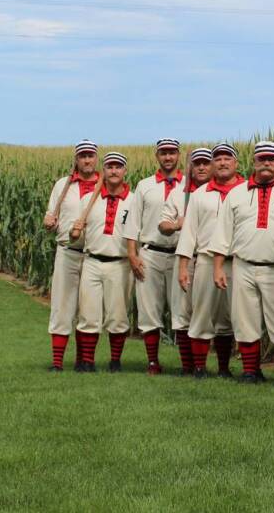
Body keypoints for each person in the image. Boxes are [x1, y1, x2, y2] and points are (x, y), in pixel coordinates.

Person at [209, 141, 274, 383]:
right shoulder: (237, 193)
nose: (267, 163)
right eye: (262, 159)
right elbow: (223, 233)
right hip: (243, 265)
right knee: (244, 320)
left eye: (272, 159)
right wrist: (218, 267)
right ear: (254, 162)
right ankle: (250, 371)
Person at [174, 143, 243, 378]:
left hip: (237, 262)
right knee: (202, 315)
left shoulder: (247, 190)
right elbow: (189, 232)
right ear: (213, 164)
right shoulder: (199, 194)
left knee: (228, 318)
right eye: (218, 159)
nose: (222, 162)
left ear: (236, 163)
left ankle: (224, 368)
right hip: (205, 259)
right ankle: (200, 368)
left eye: (227, 158)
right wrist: (183, 266)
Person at [70, 152, 135, 372]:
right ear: (104, 171)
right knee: (88, 314)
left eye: (119, 167)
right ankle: (87, 362)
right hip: (92, 260)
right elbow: (75, 236)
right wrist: (74, 231)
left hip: (121, 263)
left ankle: (115, 361)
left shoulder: (134, 200)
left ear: (125, 171)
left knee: (117, 316)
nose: (114, 171)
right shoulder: (88, 200)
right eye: (110, 167)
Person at [123, 138, 183, 375]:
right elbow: (133, 224)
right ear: (156, 156)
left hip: (180, 255)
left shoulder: (189, 185)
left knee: (182, 311)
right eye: (163, 153)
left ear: (179, 155)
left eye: (172, 153)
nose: (168, 157)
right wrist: (132, 255)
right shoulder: (145, 185)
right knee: (149, 311)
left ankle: (187, 365)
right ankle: (152, 363)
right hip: (150, 253)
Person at [43, 139, 99, 371]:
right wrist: (49, 221)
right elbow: (51, 218)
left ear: (97, 158)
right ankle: (57, 363)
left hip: (93, 255)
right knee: (62, 306)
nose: (87, 160)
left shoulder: (103, 186)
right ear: (76, 159)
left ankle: (84, 361)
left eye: (90, 155)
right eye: (82, 156)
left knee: (89, 309)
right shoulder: (62, 185)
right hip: (67, 252)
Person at [159, 147, 214, 375]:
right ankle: (187, 366)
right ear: (190, 166)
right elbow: (163, 225)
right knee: (182, 313)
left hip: (210, 259)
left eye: (205, 163)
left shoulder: (223, 192)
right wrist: (177, 224)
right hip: (184, 257)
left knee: (210, 314)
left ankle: (209, 367)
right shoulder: (179, 193)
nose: (201, 167)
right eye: (197, 163)